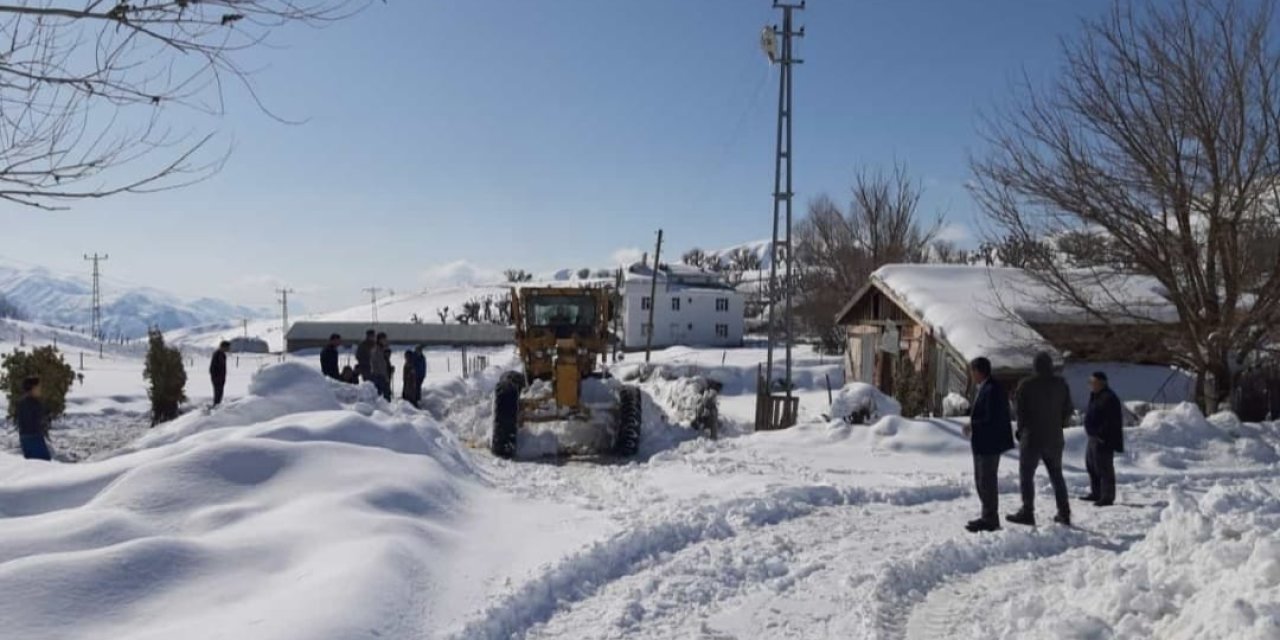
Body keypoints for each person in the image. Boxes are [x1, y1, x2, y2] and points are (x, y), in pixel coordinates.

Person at [1009, 352, 1074, 527]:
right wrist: (1058, 424)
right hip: (1055, 437)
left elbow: (1020, 412)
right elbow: (1068, 410)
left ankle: (1027, 511)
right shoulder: (1061, 384)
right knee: (1057, 475)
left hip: (1032, 437)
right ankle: (1064, 512)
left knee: (1026, 475)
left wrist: (1021, 431)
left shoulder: (1026, 384)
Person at [964, 357, 1016, 533]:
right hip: (982, 442)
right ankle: (987, 515)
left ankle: (990, 519)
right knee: (981, 481)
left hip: (990, 443)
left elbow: (992, 418)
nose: (971, 375)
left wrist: (973, 425)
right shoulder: (985, 387)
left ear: (979, 371)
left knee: (987, 481)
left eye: (972, 371)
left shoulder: (993, 389)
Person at [1083, 371, 1124, 507]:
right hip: (1093, 437)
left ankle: (1107, 496)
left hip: (1104, 439)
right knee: (1092, 466)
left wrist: (1101, 434)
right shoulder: (1096, 396)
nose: (1090, 385)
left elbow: (1111, 421)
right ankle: (1096, 492)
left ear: (1101, 383)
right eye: (1090, 382)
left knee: (1104, 468)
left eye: (1093, 382)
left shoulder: (1109, 398)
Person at [16, 376, 51, 461]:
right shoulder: (34, 403)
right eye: (38, 387)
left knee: (32, 463)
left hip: (24, 437)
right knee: (43, 462)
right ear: (32, 388)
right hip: (34, 437)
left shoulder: (22, 402)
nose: (40, 390)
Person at [369, 332, 391, 400]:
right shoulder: (377, 350)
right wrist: (385, 376)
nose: (385, 341)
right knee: (383, 396)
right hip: (379, 376)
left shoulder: (382, 350)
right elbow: (380, 365)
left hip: (381, 375)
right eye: (384, 339)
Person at [210, 341, 230, 407]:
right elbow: (212, 368)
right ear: (223, 347)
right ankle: (215, 407)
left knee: (220, 394)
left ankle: (217, 406)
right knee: (217, 394)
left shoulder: (223, 355)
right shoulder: (217, 354)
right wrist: (215, 377)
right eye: (227, 347)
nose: (228, 349)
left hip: (221, 378)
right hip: (217, 378)